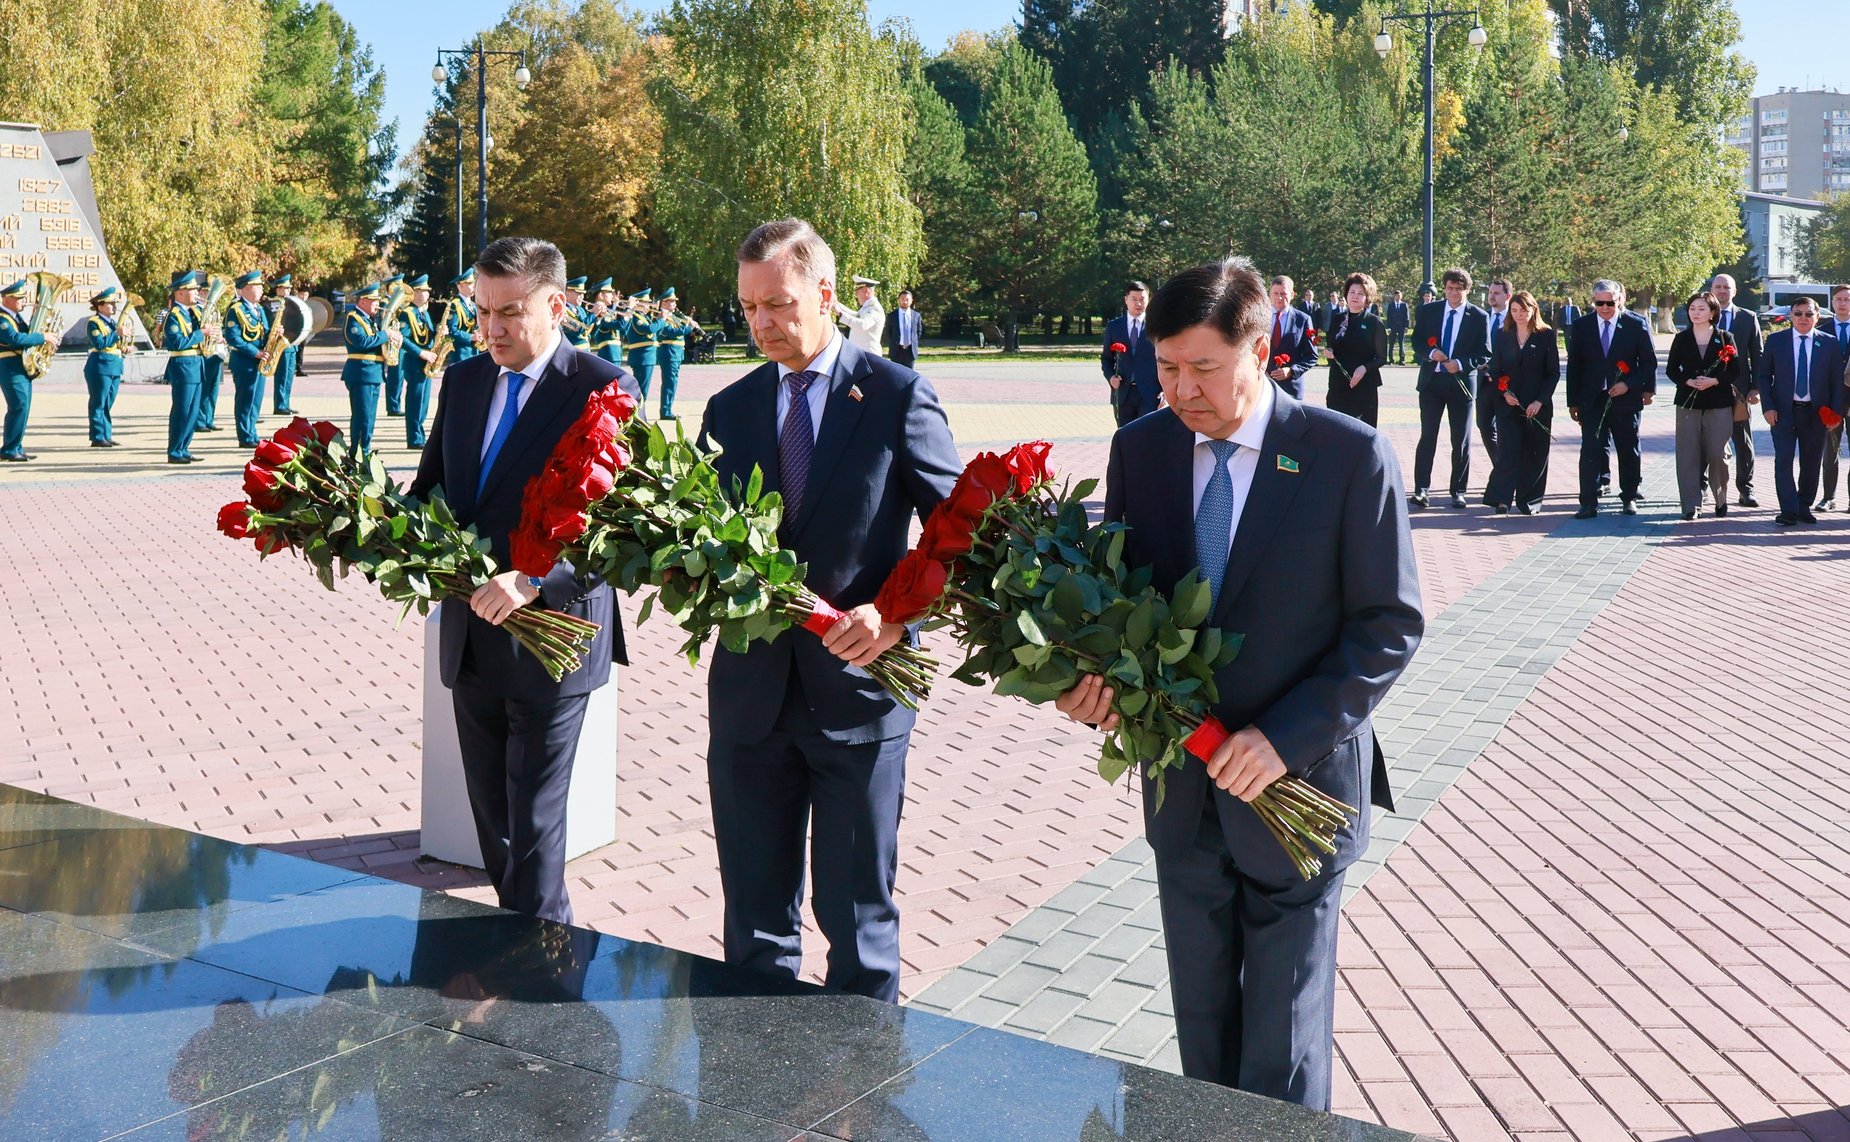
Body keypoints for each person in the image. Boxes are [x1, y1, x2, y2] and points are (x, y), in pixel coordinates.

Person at [1054, 255, 1422, 1108]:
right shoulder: (1140, 450)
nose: (1181, 390)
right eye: (1167, 368)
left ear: (1259, 347)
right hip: (1181, 794)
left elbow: (1388, 626)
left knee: (1281, 1058)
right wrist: (1089, 679)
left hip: (1299, 798)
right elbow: (1123, 601)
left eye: (1202, 369)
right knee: (1205, 1043)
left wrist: (1282, 741)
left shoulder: (1346, 455)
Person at [697, 218, 960, 1003]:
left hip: (859, 697)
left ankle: (862, 1100)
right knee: (753, 928)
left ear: (827, 294)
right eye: (748, 309)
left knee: (858, 925)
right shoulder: (731, 408)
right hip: (750, 705)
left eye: (776, 304)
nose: (761, 325)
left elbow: (959, 535)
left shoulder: (896, 396)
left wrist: (895, 619)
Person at [409, 236, 636, 924]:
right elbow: (433, 491)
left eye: (509, 311)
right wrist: (370, 528)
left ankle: (538, 974)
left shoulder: (602, 386)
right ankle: (520, 947)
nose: (492, 328)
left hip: (554, 639)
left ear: (556, 304)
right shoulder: (468, 380)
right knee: (495, 826)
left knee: (535, 828)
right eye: (481, 311)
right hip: (471, 636)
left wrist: (537, 579)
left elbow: (621, 524)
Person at [1565, 280, 1656, 518]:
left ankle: (1629, 496)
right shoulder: (1582, 326)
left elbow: (1649, 363)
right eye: (1599, 303)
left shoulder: (1636, 325)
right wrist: (1572, 402)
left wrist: (1631, 385)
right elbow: (1574, 366)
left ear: (1619, 300)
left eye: (1610, 303)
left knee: (1628, 449)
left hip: (1625, 400)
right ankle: (1588, 502)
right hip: (1591, 400)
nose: (1605, 308)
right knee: (1591, 450)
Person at [1757, 296, 1843, 526]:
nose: (1803, 318)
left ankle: (1803, 505)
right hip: (1783, 412)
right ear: (1790, 316)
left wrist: (1835, 413)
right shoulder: (1776, 341)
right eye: (1798, 313)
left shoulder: (1829, 343)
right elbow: (1764, 376)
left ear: (1817, 316)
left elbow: (1836, 382)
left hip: (1816, 413)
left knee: (1811, 461)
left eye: (1808, 314)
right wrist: (1768, 407)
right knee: (1783, 460)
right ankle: (1788, 509)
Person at [1409, 267, 1490, 509]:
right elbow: (1417, 341)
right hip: (1432, 383)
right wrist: (1432, 352)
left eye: (1459, 288)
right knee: (1428, 436)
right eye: (1450, 288)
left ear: (1467, 290)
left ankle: (1458, 491)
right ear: (1444, 289)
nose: (1453, 293)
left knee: (1461, 440)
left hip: (1462, 385)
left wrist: (1462, 363)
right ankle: (1421, 489)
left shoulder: (1478, 316)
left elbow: (1485, 352)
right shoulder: (1429, 311)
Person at [1665, 290, 1741, 521]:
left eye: (1701, 309)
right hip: (1688, 403)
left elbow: (1736, 370)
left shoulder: (1725, 337)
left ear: (1712, 312)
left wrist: (1715, 380)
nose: (1696, 313)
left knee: (1718, 453)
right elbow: (1671, 369)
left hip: (1718, 403)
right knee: (1688, 454)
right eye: (1692, 309)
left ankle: (1720, 499)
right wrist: (1686, 380)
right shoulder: (1681, 338)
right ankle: (1690, 505)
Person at [1483, 290, 1559, 514]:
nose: (1518, 314)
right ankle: (1502, 499)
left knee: (1535, 454)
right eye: (1514, 310)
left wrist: (1539, 401)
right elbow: (1495, 369)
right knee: (1509, 452)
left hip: (1537, 407)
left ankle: (1530, 501)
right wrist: (1505, 393)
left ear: (1533, 309)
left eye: (1523, 310)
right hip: (1509, 405)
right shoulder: (1503, 334)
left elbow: (1552, 373)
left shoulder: (1545, 335)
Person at [1711, 274, 1763, 507]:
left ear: (1734, 291)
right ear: (1712, 290)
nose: (1722, 291)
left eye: (1726, 287)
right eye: (1718, 287)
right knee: (1705, 441)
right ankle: (1703, 488)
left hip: (1739, 392)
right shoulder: (1702, 315)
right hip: (1707, 390)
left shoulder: (1748, 318)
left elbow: (1758, 355)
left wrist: (1755, 388)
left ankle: (1746, 489)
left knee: (1742, 442)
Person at [342, 282, 401, 451]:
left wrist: (394, 340)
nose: (378, 304)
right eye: (374, 301)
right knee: (362, 418)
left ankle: (364, 450)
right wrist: (386, 334)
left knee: (369, 418)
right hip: (362, 373)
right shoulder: (354, 319)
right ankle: (359, 453)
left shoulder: (369, 321)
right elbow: (362, 342)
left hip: (372, 373)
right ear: (362, 302)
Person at [1324, 272, 1386, 426]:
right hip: (1338, 385)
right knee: (1336, 429)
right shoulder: (1338, 319)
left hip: (1363, 387)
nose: (1355, 296)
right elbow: (1331, 346)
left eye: (1360, 293)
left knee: (1361, 432)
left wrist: (1364, 368)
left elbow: (1381, 358)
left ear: (1367, 297)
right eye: (1352, 292)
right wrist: (1328, 353)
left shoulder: (1374, 323)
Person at [222, 270, 272, 448]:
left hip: (260, 360)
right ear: (247, 288)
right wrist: (255, 352)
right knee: (245, 399)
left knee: (256, 399)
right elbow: (233, 337)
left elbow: (265, 331)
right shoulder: (236, 310)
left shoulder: (258, 309)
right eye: (258, 287)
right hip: (245, 361)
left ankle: (252, 433)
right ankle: (244, 436)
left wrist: (276, 335)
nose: (261, 290)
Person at [162, 270, 207, 464]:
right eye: (192, 289)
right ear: (180, 293)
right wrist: (201, 334)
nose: (197, 292)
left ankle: (184, 447)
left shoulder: (194, 312)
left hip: (196, 365)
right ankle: (174, 450)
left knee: (193, 411)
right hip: (183, 366)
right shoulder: (173, 316)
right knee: (182, 410)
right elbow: (177, 342)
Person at [0, 278, 46, 462]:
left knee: (23, 407)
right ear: (7, 300)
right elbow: (15, 339)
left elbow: (26, 335)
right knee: (18, 405)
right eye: (19, 298)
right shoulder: (2, 319)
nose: (23, 301)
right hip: (9, 367)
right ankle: (9, 449)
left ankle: (16, 446)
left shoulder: (15, 318)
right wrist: (43, 336)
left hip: (20, 367)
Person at [1103, 281, 1159, 424]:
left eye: (1142, 299)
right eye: (1134, 299)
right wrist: (1111, 377)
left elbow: (1167, 359)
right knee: (1125, 436)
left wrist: (1164, 389)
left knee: (1147, 434)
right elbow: (1106, 359)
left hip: (1150, 392)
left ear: (1148, 300)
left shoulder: (1157, 326)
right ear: (1126, 300)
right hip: (1123, 393)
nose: (1138, 304)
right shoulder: (1114, 327)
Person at [1816, 284, 1850, 510]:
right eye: (1839, 299)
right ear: (1832, 302)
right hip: (1831, 400)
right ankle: (1829, 497)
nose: (1843, 303)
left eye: (1847, 299)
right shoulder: (1821, 330)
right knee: (1830, 451)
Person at [398, 274, 440, 448]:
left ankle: (420, 435)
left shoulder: (424, 312)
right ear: (414, 292)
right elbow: (402, 339)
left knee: (423, 402)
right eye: (423, 291)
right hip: (416, 362)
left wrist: (439, 332)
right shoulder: (407, 313)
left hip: (427, 362)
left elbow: (427, 335)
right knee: (415, 401)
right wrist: (421, 353)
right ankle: (414, 438)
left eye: (427, 291)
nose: (427, 294)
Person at [1476, 279, 1513, 477]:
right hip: (1483, 383)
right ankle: (1501, 470)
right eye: (1490, 292)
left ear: (1507, 296)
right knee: (1484, 427)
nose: (1491, 296)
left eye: (1496, 293)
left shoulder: (1514, 320)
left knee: (1506, 430)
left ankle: (1504, 475)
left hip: (1506, 384)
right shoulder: (1483, 318)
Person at [84, 286, 127, 448]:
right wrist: (117, 334)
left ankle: (106, 434)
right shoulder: (94, 323)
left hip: (114, 365)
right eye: (110, 303)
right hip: (100, 365)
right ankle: (97, 436)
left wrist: (124, 347)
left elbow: (114, 344)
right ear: (100, 306)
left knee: (108, 402)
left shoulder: (113, 323)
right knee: (98, 401)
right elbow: (100, 343)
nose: (114, 306)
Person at [1263, 275, 1316, 400]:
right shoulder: (1259, 318)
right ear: (1269, 294)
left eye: (1284, 293)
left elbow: (1312, 356)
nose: (1279, 297)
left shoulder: (1304, 320)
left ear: (1292, 294)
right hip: (1263, 386)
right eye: (1275, 293)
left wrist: (1292, 370)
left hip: (1291, 388)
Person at [653, 287, 700, 420]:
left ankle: (668, 408)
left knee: (672, 382)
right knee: (669, 382)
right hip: (669, 352)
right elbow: (672, 331)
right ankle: (666, 411)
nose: (674, 304)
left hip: (676, 353)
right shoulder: (662, 317)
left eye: (674, 302)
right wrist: (689, 327)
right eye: (671, 302)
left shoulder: (673, 316)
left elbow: (680, 327)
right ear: (664, 303)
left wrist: (690, 323)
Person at [621, 288, 661, 405]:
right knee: (640, 391)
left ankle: (640, 414)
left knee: (644, 390)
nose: (649, 306)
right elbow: (648, 329)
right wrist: (661, 320)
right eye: (646, 303)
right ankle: (638, 415)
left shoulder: (646, 317)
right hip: (641, 357)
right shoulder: (635, 317)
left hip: (647, 357)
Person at [268, 274, 301, 415]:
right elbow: (274, 322)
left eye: (289, 289)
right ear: (278, 289)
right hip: (281, 343)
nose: (287, 291)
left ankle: (286, 403)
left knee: (289, 375)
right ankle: (280, 404)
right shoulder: (274, 304)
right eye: (285, 288)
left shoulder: (291, 303)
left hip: (292, 344)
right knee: (282, 375)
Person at [835, 275, 886, 356]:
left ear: (867, 291)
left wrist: (840, 314)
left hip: (869, 357)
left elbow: (862, 324)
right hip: (862, 355)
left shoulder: (875, 309)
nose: (856, 295)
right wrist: (836, 304)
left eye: (857, 291)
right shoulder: (867, 307)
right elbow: (856, 315)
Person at [446, 267, 481, 364]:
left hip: (475, 351)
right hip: (461, 353)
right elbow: (452, 330)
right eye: (470, 283)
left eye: (473, 283)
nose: (473, 286)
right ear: (461, 286)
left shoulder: (473, 305)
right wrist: (471, 337)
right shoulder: (455, 305)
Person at [587, 278, 623, 365]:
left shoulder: (606, 311)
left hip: (615, 353)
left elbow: (623, 330)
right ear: (601, 295)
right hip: (608, 353)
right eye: (610, 292)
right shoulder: (596, 312)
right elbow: (619, 325)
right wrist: (628, 310)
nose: (612, 296)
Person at [883, 288, 922, 369]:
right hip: (897, 351)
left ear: (911, 301)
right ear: (898, 300)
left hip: (910, 352)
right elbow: (888, 332)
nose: (904, 302)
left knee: (909, 376)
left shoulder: (916, 316)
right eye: (902, 299)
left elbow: (918, 332)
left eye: (907, 299)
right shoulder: (892, 316)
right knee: (896, 375)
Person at [561, 276, 591, 350]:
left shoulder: (581, 310)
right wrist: (593, 314)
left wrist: (598, 319)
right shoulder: (563, 310)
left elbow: (589, 333)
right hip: (572, 352)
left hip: (586, 351)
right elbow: (578, 330)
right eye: (579, 294)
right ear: (568, 293)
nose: (582, 297)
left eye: (583, 294)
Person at [1385, 289, 1410, 365]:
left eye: (1399, 295)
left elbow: (1407, 316)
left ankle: (1402, 360)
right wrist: (1388, 327)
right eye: (1396, 295)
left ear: (1401, 296)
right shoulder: (1391, 305)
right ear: (1394, 296)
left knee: (1401, 343)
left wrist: (1406, 326)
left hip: (1401, 327)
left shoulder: (1404, 305)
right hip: (1393, 327)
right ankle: (1391, 360)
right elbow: (1388, 317)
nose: (1397, 297)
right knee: (1391, 343)